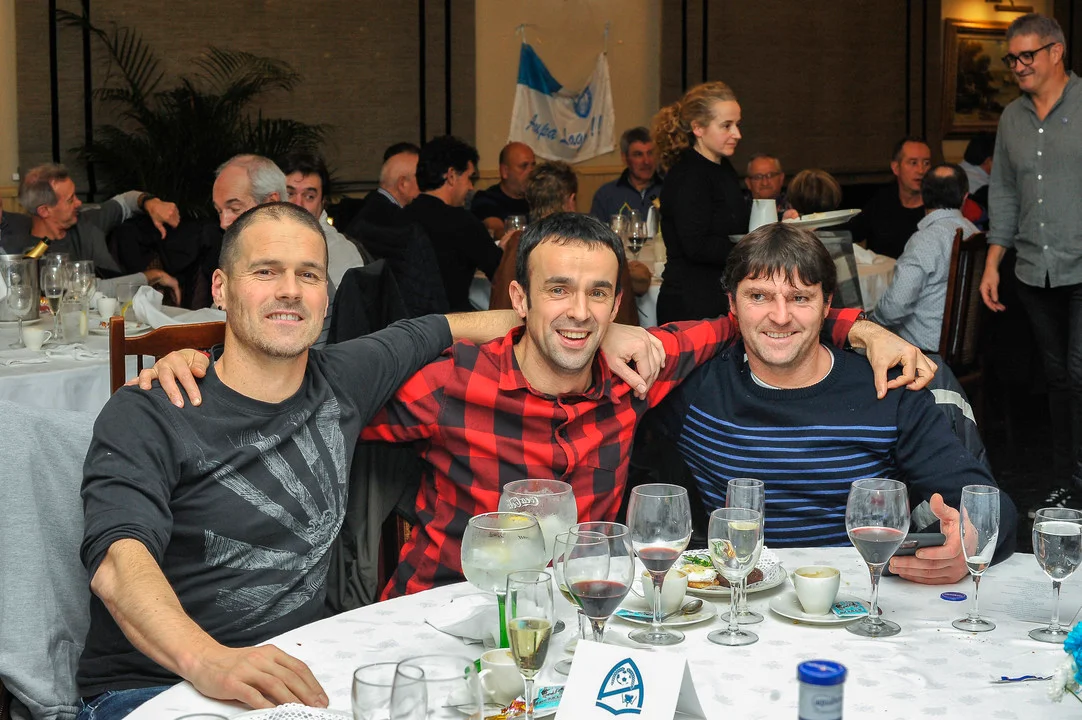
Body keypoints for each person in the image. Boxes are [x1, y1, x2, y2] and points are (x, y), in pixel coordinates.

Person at [146, 213, 936, 602]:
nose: (579, 313)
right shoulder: (446, 383)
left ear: (618, 305)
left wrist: (857, 327)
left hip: (585, 616)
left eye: (598, 295)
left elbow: (753, 319)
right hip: (444, 617)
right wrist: (206, 361)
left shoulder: (636, 371)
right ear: (518, 300)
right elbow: (299, 389)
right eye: (558, 290)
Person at [78, 202, 667, 719]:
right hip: (151, 688)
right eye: (265, 272)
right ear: (221, 288)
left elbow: (456, 325)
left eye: (309, 275)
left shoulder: (346, 377)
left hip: (303, 669)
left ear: (327, 295)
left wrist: (600, 332)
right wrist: (209, 661)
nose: (290, 290)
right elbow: (117, 566)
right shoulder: (152, 409)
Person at [654, 223, 1017, 584]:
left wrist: (969, 545)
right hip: (741, 598)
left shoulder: (886, 389)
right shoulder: (698, 391)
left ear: (826, 304)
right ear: (733, 303)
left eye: (800, 298)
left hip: (858, 595)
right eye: (759, 296)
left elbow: (990, 506)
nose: (780, 316)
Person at [982, 12, 1082, 511]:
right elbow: (1002, 192)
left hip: (1081, 265)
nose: (1018, 66)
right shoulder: (1011, 119)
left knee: (1079, 374)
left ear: (1055, 51)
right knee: (1057, 379)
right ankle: (1068, 480)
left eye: (1027, 55)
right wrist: (992, 262)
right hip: (1032, 269)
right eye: (1012, 58)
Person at [653, 81, 749, 323]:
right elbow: (697, 246)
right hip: (690, 305)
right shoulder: (688, 175)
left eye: (737, 124)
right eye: (726, 126)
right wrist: (751, 250)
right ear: (698, 127)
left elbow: (733, 222)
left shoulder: (722, 167)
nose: (737, 134)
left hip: (717, 297)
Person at [14, 163, 181, 299]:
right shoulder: (34, 258)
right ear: (44, 211)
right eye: (70, 200)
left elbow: (125, 201)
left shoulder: (86, 219)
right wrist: (152, 276)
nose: (79, 203)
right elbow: (90, 291)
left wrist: (151, 203)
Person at [871, 164, 977, 351]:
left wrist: (870, 321)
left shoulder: (926, 241)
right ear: (965, 197)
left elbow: (895, 307)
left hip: (922, 352)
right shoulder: (974, 233)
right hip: (967, 347)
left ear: (923, 196)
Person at [403, 135, 505, 312]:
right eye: (469, 178)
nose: (471, 187)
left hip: (405, 322)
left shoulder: (401, 216)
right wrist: (510, 247)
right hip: (453, 322)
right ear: (451, 176)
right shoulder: (462, 222)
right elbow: (501, 273)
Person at [279, 151, 366, 288]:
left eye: (309, 196)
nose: (298, 204)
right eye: (290, 193)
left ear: (323, 203)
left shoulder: (340, 252)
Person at [849, 137, 931, 259]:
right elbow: (853, 231)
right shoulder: (882, 201)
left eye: (926, 163)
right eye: (913, 163)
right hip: (881, 270)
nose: (921, 170)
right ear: (896, 168)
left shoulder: (935, 207)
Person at [589, 127, 664, 222]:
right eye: (638, 154)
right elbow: (595, 230)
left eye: (650, 153)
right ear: (624, 158)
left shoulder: (668, 190)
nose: (646, 161)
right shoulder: (606, 195)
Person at [347, 143, 421, 229]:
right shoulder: (393, 223)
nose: (425, 187)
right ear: (403, 183)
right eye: (421, 178)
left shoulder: (374, 206)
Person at [470, 141, 535, 237]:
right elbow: (497, 231)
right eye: (524, 166)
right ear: (505, 171)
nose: (531, 171)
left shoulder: (537, 199)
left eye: (533, 165)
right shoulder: (486, 199)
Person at [743, 153, 790, 218]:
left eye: (770, 175)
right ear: (748, 183)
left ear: (781, 178)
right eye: (758, 177)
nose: (765, 183)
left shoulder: (794, 205)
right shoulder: (739, 209)